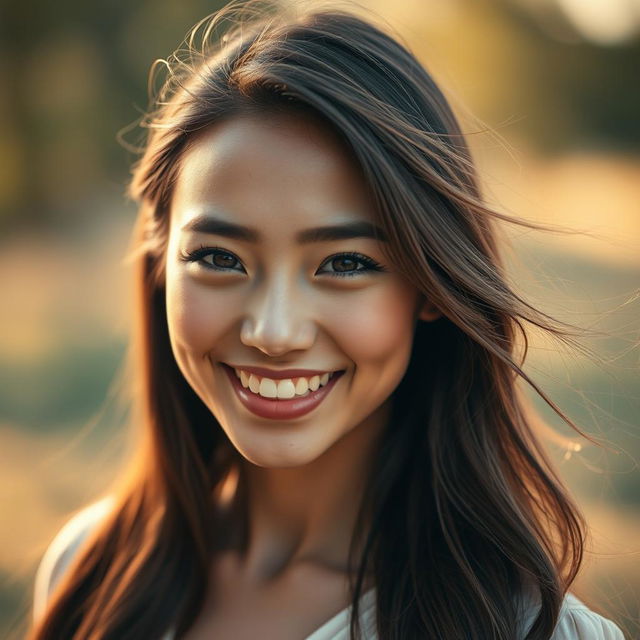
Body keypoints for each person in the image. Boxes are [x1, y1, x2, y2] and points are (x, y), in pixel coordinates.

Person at [29, 1, 626, 638]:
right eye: (219, 257)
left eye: (343, 263)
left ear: (430, 285)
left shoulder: (530, 629)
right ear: (160, 263)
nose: (274, 332)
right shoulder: (89, 569)